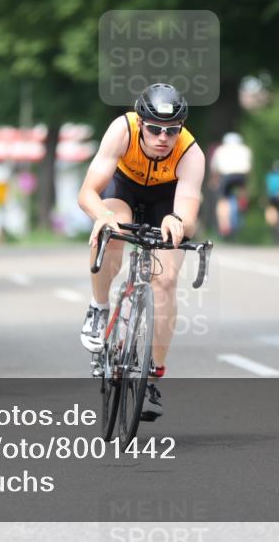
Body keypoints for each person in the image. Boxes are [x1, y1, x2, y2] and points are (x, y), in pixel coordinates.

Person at [78, 83, 205, 421]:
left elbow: (188, 209)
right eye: (154, 129)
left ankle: (152, 376)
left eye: (172, 130)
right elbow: (88, 192)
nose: (163, 137)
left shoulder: (191, 153)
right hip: (123, 191)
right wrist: (102, 216)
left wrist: (178, 221)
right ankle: (99, 308)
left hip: (167, 200)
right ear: (140, 123)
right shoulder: (122, 130)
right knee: (113, 232)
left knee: (166, 280)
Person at [210, 132, 251, 238]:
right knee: (242, 191)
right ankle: (242, 206)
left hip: (226, 176)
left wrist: (214, 180)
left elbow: (214, 168)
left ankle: (224, 225)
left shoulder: (220, 150)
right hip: (241, 175)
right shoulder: (245, 149)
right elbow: (249, 168)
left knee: (222, 200)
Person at [264, 160, 279, 235]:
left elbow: (267, 188)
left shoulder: (270, 176)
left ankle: (273, 225)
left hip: (272, 197)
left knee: (273, 210)